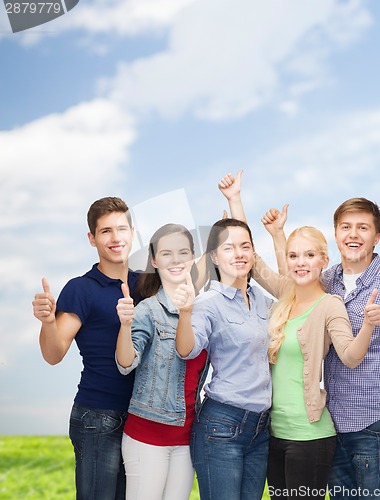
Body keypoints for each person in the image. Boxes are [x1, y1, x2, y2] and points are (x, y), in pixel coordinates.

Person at [262, 198, 380, 499]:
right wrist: (278, 235)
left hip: (375, 423)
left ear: (377, 237)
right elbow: (292, 282)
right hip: (333, 423)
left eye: (363, 228)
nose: (353, 234)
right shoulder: (327, 280)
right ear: (335, 234)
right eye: (346, 227)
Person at [220, 172, 380, 499]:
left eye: (309, 255)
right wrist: (234, 200)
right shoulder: (284, 295)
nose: (300, 262)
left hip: (310, 437)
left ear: (324, 260)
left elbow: (350, 356)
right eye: (293, 256)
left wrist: (367, 325)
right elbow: (251, 259)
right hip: (273, 434)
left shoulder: (329, 305)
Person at [32, 196, 141, 500]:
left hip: (142, 419)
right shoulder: (81, 288)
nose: (116, 238)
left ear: (133, 232)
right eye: (106, 231)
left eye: (122, 229)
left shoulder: (147, 285)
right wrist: (47, 321)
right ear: (92, 239)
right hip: (98, 417)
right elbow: (53, 354)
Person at [173, 216, 272, 500]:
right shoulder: (207, 303)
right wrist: (185, 312)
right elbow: (186, 349)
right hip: (221, 427)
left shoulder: (263, 301)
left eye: (245, 246)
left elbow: (295, 304)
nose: (239, 254)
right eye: (228, 248)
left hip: (261, 428)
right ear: (214, 256)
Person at [115, 223, 208, 500]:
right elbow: (125, 363)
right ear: (154, 261)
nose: (176, 260)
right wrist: (125, 325)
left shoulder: (202, 311)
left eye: (183, 252)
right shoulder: (148, 310)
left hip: (187, 437)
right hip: (147, 436)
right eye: (166, 253)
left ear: (192, 257)